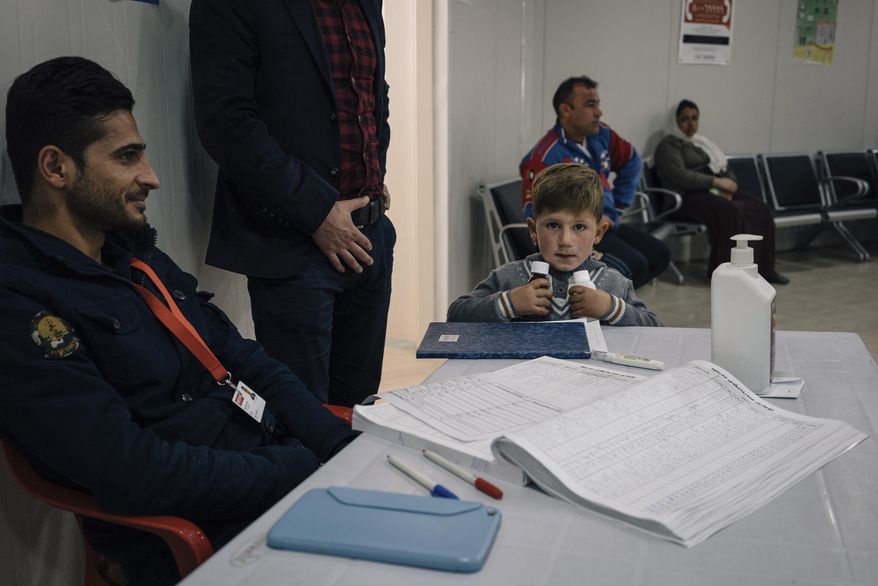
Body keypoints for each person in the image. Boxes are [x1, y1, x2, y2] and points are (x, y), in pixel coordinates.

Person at [0, 56, 358, 586]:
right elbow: (130, 470)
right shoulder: (21, 303)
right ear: (56, 168)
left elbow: (240, 357)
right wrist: (297, 467)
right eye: (127, 158)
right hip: (209, 530)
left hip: (276, 476)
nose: (152, 178)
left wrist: (338, 448)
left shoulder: (134, 258)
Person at [189, 0, 395, 407]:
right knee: (303, 426)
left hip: (370, 239)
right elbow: (227, 122)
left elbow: (373, 99)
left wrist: (375, 177)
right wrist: (318, 211)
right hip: (292, 246)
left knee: (359, 418)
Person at [449, 163, 662, 326]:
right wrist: (508, 303)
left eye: (579, 227)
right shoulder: (509, 278)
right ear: (533, 230)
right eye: (553, 225)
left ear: (598, 233)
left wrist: (611, 308)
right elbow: (456, 315)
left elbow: (657, 330)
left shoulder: (614, 284)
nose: (566, 241)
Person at [520, 75, 670, 289]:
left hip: (603, 225)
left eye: (598, 104)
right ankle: (597, 308)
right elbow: (534, 214)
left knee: (659, 253)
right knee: (634, 264)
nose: (598, 112)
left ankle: (617, 305)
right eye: (590, 105)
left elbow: (632, 161)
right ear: (566, 110)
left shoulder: (602, 134)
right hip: (574, 231)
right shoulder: (546, 156)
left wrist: (617, 209)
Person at [654, 99, 788, 284]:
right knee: (729, 211)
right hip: (686, 198)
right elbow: (681, 176)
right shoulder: (668, 146)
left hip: (712, 192)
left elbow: (722, 166)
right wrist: (716, 182)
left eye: (694, 118)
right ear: (674, 121)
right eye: (684, 119)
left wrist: (729, 185)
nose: (691, 124)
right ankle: (726, 275)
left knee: (760, 209)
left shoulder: (701, 143)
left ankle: (764, 270)